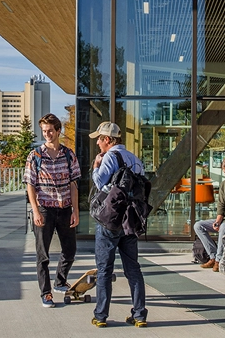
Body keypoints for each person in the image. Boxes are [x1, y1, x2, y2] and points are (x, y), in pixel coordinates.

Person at [90, 122, 147, 328]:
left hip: (110, 220)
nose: (97, 143)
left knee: (104, 269)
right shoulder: (135, 159)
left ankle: (101, 316)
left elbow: (100, 182)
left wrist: (96, 167)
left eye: (99, 139)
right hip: (130, 220)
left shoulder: (110, 157)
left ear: (108, 139)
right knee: (133, 268)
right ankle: (139, 315)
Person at [25, 113, 80, 309]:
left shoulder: (69, 155)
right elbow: (30, 185)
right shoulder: (35, 156)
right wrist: (36, 211)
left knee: (70, 251)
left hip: (64, 209)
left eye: (50, 131)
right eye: (44, 131)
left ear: (58, 131)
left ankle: (60, 281)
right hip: (44, 210)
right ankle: (46, 293)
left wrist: (75, 210)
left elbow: (74, 185)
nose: (47, 134)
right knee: (43, 255)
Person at [193, 157, 225, 273]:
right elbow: (221, 205)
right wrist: (217, 221)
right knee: (198, 225)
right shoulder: (224, 184)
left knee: (224, 227)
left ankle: (218, 260)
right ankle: (212, 255)